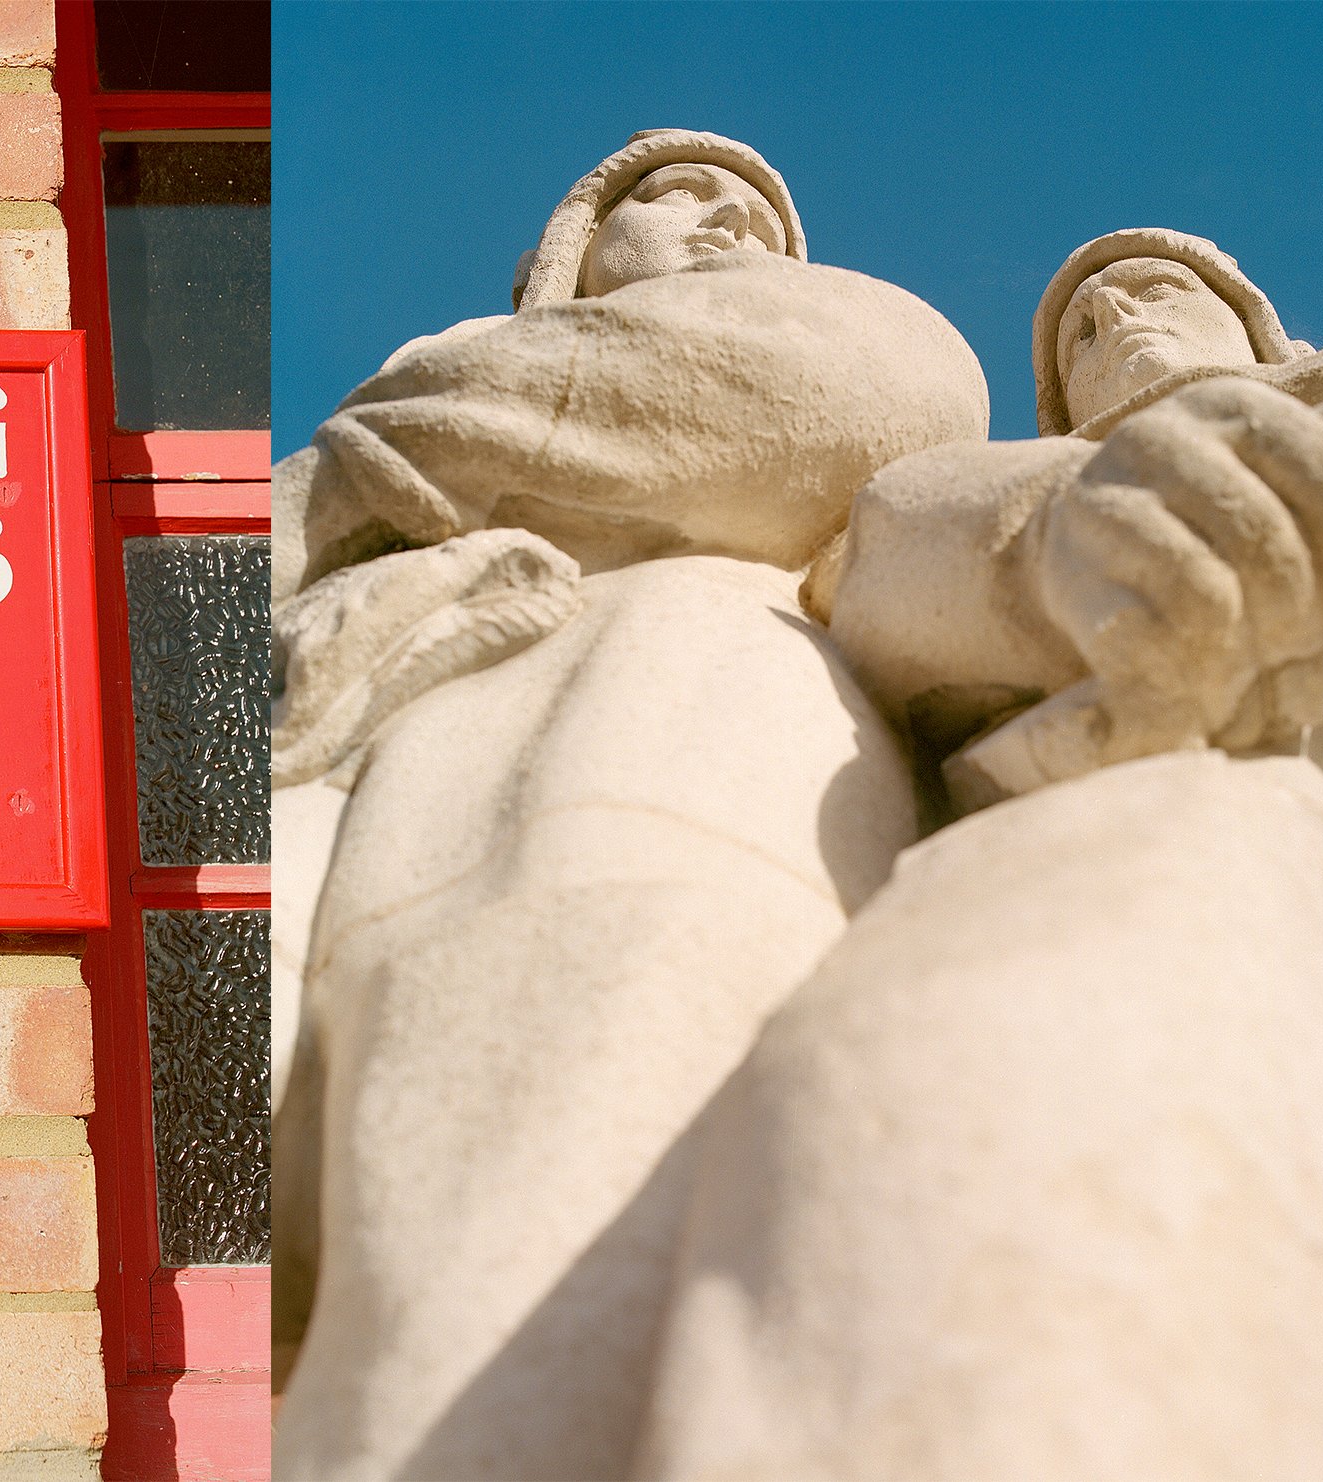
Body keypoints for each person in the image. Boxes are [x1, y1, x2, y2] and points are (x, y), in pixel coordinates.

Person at [627, 231, 1323, 1479]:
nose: (1117, 328)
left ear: (1259, 329)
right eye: (1079, 338)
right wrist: (1071, 535)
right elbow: (879, 571)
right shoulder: (1008, 480)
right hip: (1171, 837)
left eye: (1152, 295)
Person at [272, 131, 988, 1479]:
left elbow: (864, 394)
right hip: (364, 738)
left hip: (676, 717)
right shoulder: (437, 391)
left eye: (759, 219)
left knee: (554, 1226)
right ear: (577, 246)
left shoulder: (429, 406)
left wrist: (374, 456)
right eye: (676, 197)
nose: (726, 224)